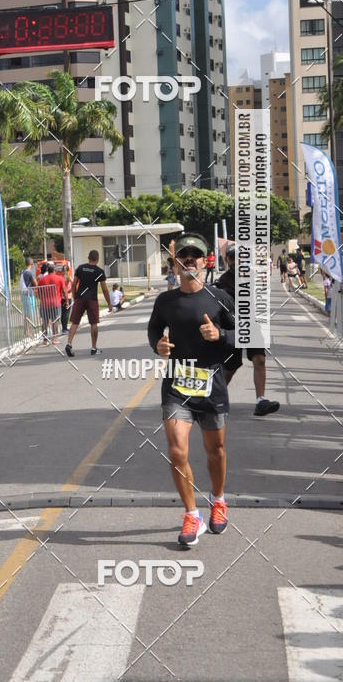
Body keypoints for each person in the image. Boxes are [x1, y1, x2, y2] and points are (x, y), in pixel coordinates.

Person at [148, 232, 236, 548]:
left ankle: (218, 499)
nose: (189, 260)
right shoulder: (166, 301)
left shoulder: (219, 298)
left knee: (217, 451)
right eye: (183, 255)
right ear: (175, 263)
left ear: (204, 261)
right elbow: (154, 329)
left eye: (195, 255)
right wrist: (157, 346)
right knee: (176, 450)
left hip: (212, 386)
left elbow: (242, 334)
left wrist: (219, 335)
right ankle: (191, 514)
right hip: (177, 387)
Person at [214, 244, 280, 417]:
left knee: (260, 359)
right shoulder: (222, 282)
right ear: (227, 260)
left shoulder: (252, 276)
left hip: (252, 325)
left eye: (240, 258)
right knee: (231, 366)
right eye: (233, 258)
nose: (237, 261)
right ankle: (215, 398)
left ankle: (261, 401)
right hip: (232, 328)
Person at [65, 250, 112, 357]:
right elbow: (104, 289)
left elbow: (74, 284)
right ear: (97, 259)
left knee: (75, 322)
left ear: (88, 257)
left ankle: (69, 344)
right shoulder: (99, 271)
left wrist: (75, 297)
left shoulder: (80, 268)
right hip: (92, 300)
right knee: (94, 323)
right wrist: (109, 304)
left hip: (80, 299)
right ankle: (94, 348)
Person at [37, 263, 65, 344]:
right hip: (55, 303)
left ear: (47, 270)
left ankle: (45, 339)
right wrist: (66, 301)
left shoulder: (42, 279)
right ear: (55, 270)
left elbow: (39, 292)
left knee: (45, 322)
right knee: (55, 321)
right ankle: (54, 339)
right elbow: (64, 291)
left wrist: (42, 299)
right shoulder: (59, 278)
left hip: (44, 304)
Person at [19, 257, 38, 336]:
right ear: (31, 264)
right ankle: (27, 331)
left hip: (24, 294)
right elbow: (35, 283)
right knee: (29, 314)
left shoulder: (23, 271)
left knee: (27, 314)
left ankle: (26, 330)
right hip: (29, 294)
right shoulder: (29, 272)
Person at [61, 265, 73, 333]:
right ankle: (64, 328)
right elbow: (74, 283)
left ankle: (63, 327)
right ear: (68, 270)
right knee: (66, 313)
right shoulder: (68, 277)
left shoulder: (61, 277)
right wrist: (70, 290)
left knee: (63, 313)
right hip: (68, 296)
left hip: (62, 297)